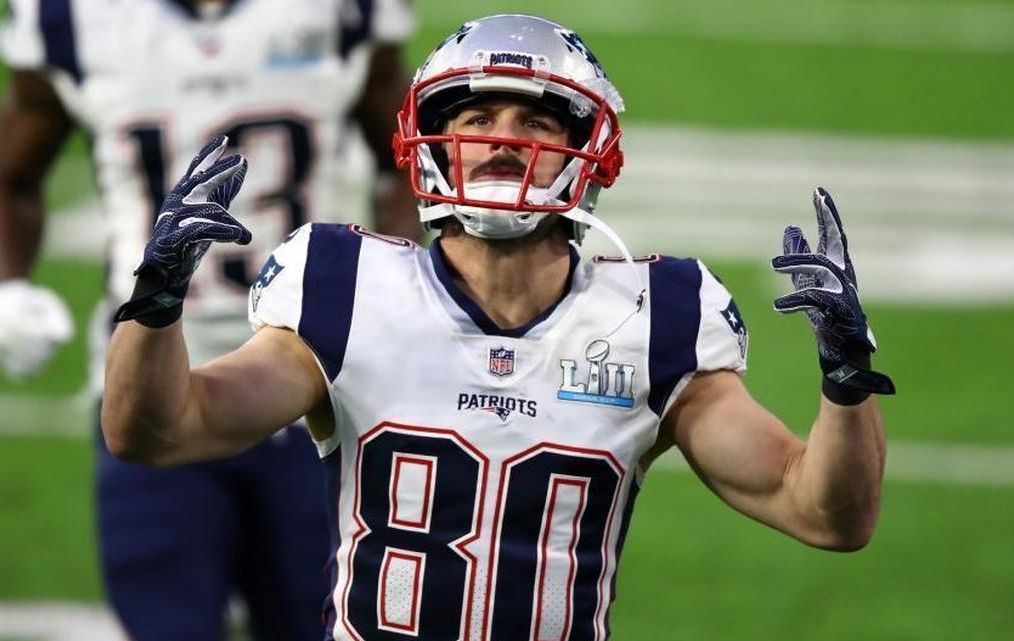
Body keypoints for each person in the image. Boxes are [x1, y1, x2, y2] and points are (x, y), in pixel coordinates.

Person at [102, 13, 896, 640]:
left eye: (537, 123)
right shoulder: (345, 288)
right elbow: (161, 430)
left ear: (587, 152)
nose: (502, 139)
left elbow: (825, 512)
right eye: (477, 113)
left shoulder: (654, 318)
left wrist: (847, 384)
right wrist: (155, 307)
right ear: (429, 141)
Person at [0, 0, 419, 639]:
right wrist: (5, 287)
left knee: (326, 626)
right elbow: (10, 176)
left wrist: (386, 281)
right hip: (149, 375)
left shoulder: (340, 12)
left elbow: (407, 161)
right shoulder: (72, 19)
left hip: (311, 379)